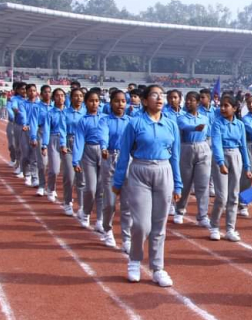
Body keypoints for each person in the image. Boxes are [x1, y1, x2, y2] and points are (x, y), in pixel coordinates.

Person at [112, 84, 182, 287]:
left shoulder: (171, 124)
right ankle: (134, 260)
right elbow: (124, 154)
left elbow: (176, 156)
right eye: (154, 95)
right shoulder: (134, 124)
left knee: (159, 225)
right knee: (142, 224)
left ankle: (157, 268)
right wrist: (118, 182)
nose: (159, 98)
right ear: (144, 101)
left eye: (162, 95)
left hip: (164, 171)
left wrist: (178, 184)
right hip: (140, 171)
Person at [209, 94, 252, 242]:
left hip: (236, 157)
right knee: (221, 197)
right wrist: (220, 163)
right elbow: (216, 143)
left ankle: (230, 228)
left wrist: (247, 166)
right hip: (222, 156)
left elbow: (243, 146)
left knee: (234, 196)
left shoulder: (240, 125)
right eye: (221, 105)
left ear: (234, 108)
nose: (222, 108)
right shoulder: (217, 124)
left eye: (226, 106)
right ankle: (214, 226)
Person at [99, 90, 132, 251]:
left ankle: (126, 237)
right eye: (117, 101)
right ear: (111, 103)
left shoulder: (131, 121)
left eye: (123, 101)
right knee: (110, 203)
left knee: (126, 202)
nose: (120, 104)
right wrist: (104, 148)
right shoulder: (105, 121)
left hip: (127, 161)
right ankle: (107, 229)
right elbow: (103, 136)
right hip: (110, 159)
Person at [174, 91, 212, 227]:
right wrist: (195, 128)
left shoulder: (205, 118)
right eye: (187, 100)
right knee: (185, 183)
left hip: (203, 147)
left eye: (192, 100)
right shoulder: (182, 118)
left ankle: (202, 215)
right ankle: (179, 210)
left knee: (202, 184)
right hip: (186, 148)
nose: (188, 103)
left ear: (198, 102)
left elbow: (209, 132)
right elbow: (184, 127)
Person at [72, 91, 106, 231]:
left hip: (103, 153)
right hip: (88, 152)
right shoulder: (83, 121)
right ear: (86, 102)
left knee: (102, 189)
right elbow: (79, 141)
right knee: (91, 188)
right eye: (91, 101)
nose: (94, 103)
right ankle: (86, 213)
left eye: (97, 101)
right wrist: (76, 160)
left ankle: (100, 219)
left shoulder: (105, 118)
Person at [61, 88, 86, 216]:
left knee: (81, 178)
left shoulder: (86, 112)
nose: (78, 98)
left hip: (83, 145)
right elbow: (62, 130)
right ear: (71, 98)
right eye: (75, 96)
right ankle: (67, 202)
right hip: (69, 144)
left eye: (81, 96)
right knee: (69, 176)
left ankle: (81, 206)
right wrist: (63, 144)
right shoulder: (65, 113)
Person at [42, 88, 68, 204]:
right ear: (53, 98)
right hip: (54, 139)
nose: (60, 98)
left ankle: (68, 197)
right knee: (54, 170)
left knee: (68, 171)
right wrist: (44, 144)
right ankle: (51, 189)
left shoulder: (68, 112)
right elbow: (46, 129)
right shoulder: (50, 113)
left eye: (62, 95)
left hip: (67, 141)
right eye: (57, 95)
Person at [29, 85, 52, 196]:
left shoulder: (56, 107)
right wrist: (33, 137)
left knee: (54, 164)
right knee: (42, 162)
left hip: (54, 134)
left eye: (49, 92)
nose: (47, 94)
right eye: (45, 92)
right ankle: (42, 185)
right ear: (41, 94)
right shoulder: (37, 107)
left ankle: (52, 187)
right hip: (41, 133)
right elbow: (33, 122)